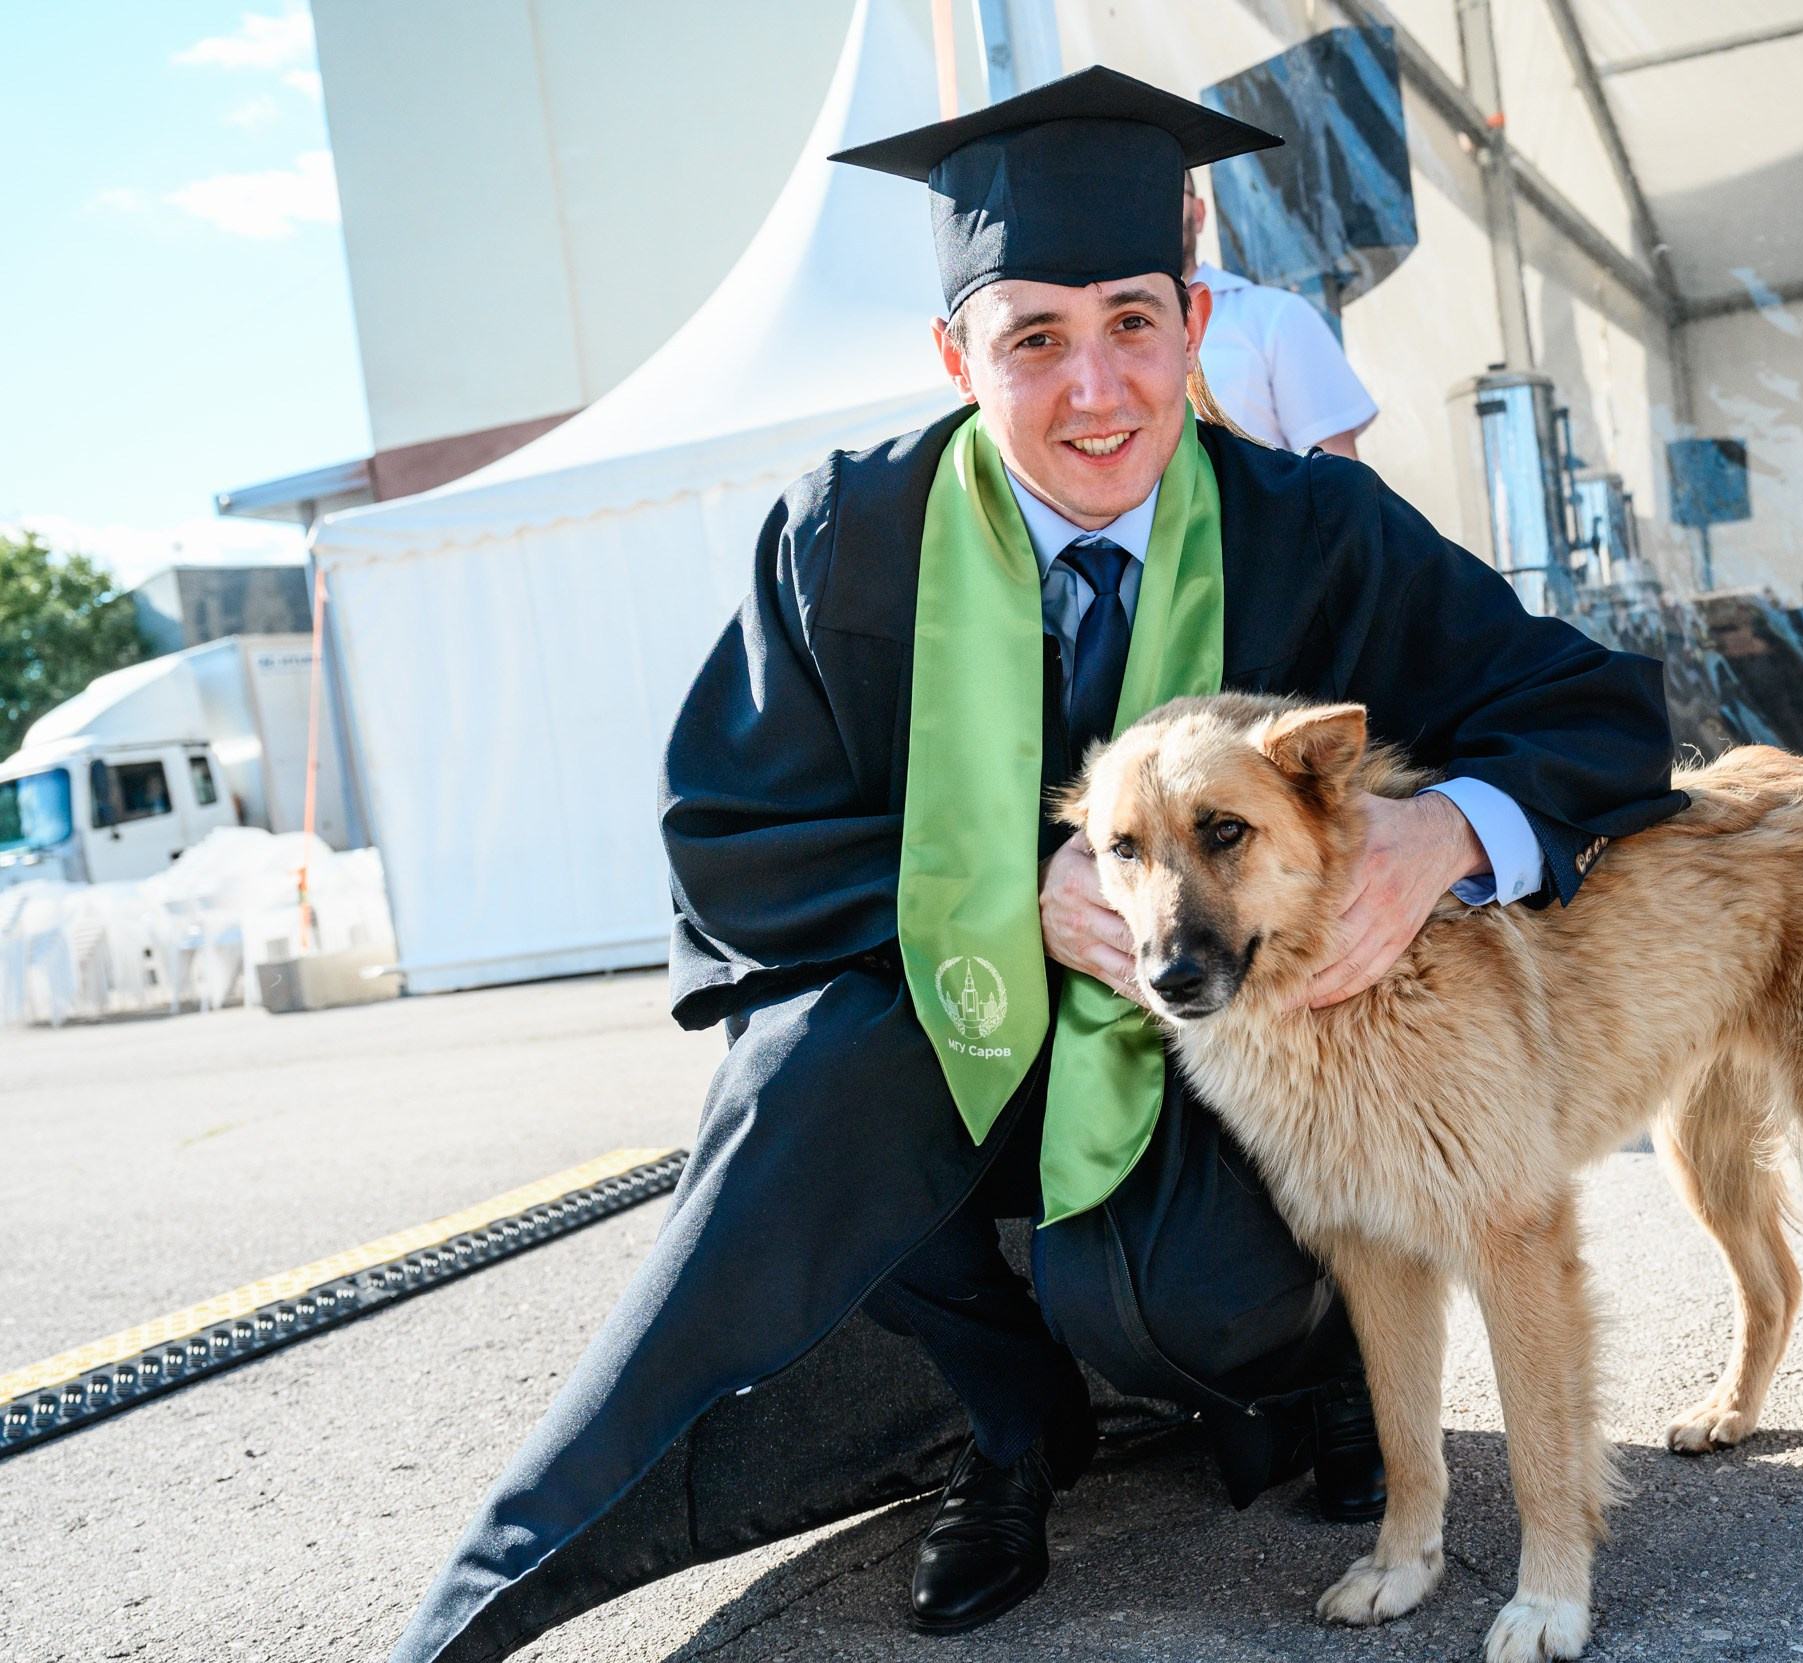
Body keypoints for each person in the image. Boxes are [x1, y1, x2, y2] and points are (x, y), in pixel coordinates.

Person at [386, 66, 1683, 1663]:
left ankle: (1310, 1368)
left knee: (1194, 1292)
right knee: (801, 1079)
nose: (1096, 388)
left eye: (1133, 322)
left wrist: (1443, 833)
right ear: (955, 353)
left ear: (1196, 324)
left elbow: (1597, 710)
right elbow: (732, 851)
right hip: (973, 1056)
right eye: (1035, 338)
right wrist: (997, 890)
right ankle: (1001, 1436)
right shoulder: (847, 538)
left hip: (1242, 1069)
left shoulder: (1313, 530)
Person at [1181, 168, 1378, 457]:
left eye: (1163, 187)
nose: (1147, 205)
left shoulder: (1277, 316)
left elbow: (1337, 483)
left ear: (1198, 214)